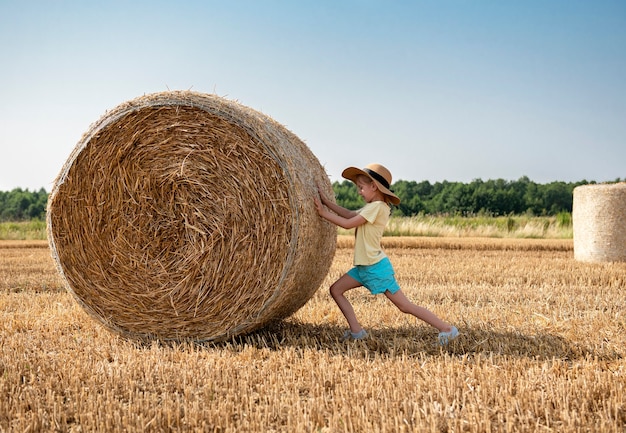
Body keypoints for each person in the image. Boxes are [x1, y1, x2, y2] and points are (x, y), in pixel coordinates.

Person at [314, 163, 459, 345]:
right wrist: (327, 203)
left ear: (374, 186)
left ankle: (447, 329)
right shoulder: (373, 207)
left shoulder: (378, 207)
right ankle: (357, 331)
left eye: (361, 187)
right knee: (336, 290)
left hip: (376, 268)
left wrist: (322, 213)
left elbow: (348, 223)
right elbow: (350, 214)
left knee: (404, 306)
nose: (359, 192)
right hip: (363, 268)